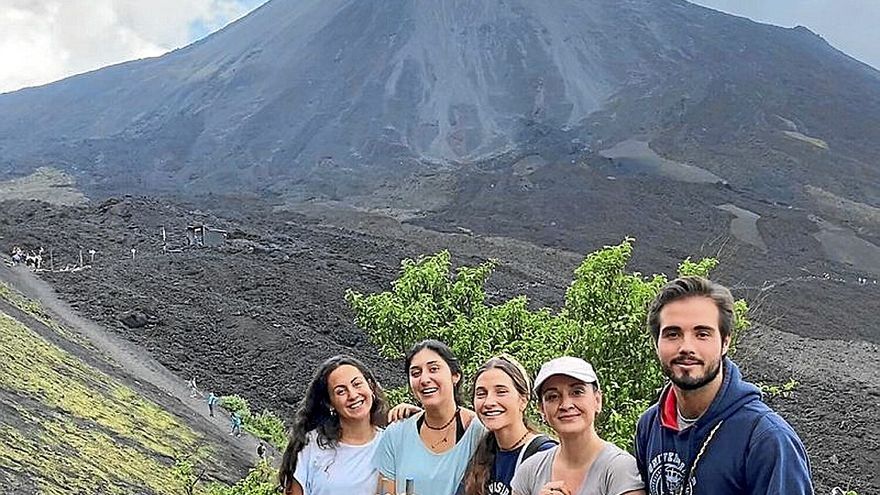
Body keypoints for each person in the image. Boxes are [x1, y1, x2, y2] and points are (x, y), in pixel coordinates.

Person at [634, 276, 812, 494]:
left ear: (725, 341)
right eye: (673, 334)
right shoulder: (650, 425)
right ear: (656, 343)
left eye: (702, 334)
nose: (686, 347)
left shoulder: (766, 438)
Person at [511, 356, 644, 495]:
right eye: (553, 396)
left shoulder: (619, 468)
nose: (566, 405)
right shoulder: (529, 471)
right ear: (542, 409)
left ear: (597, 400)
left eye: (577, 392)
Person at [374, 340, 486, 495]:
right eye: (415, 373)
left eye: (433, 369)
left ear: (455, 375)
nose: (424, 379)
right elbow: (384, 490)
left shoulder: (479, 432)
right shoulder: (397, 433)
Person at [277, 355, 389, 495]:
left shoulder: (389, 445)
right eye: (341, 391)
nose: (353, 395)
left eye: (357, 384)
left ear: (371, 386)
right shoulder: (311, 445)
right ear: (329, 403)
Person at [462, 354, 557, 495]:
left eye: (501, 392)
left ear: (523, 400)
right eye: (481, 394)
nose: (489, 402)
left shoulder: (544, 455)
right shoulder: (483, 452)